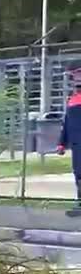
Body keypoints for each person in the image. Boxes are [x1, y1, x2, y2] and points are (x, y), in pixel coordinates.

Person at [58, 69, 81, 216]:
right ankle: (80, 203)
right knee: (78, 173)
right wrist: (61, 143)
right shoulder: (72, 101)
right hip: (76, 145)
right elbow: (66, 124)